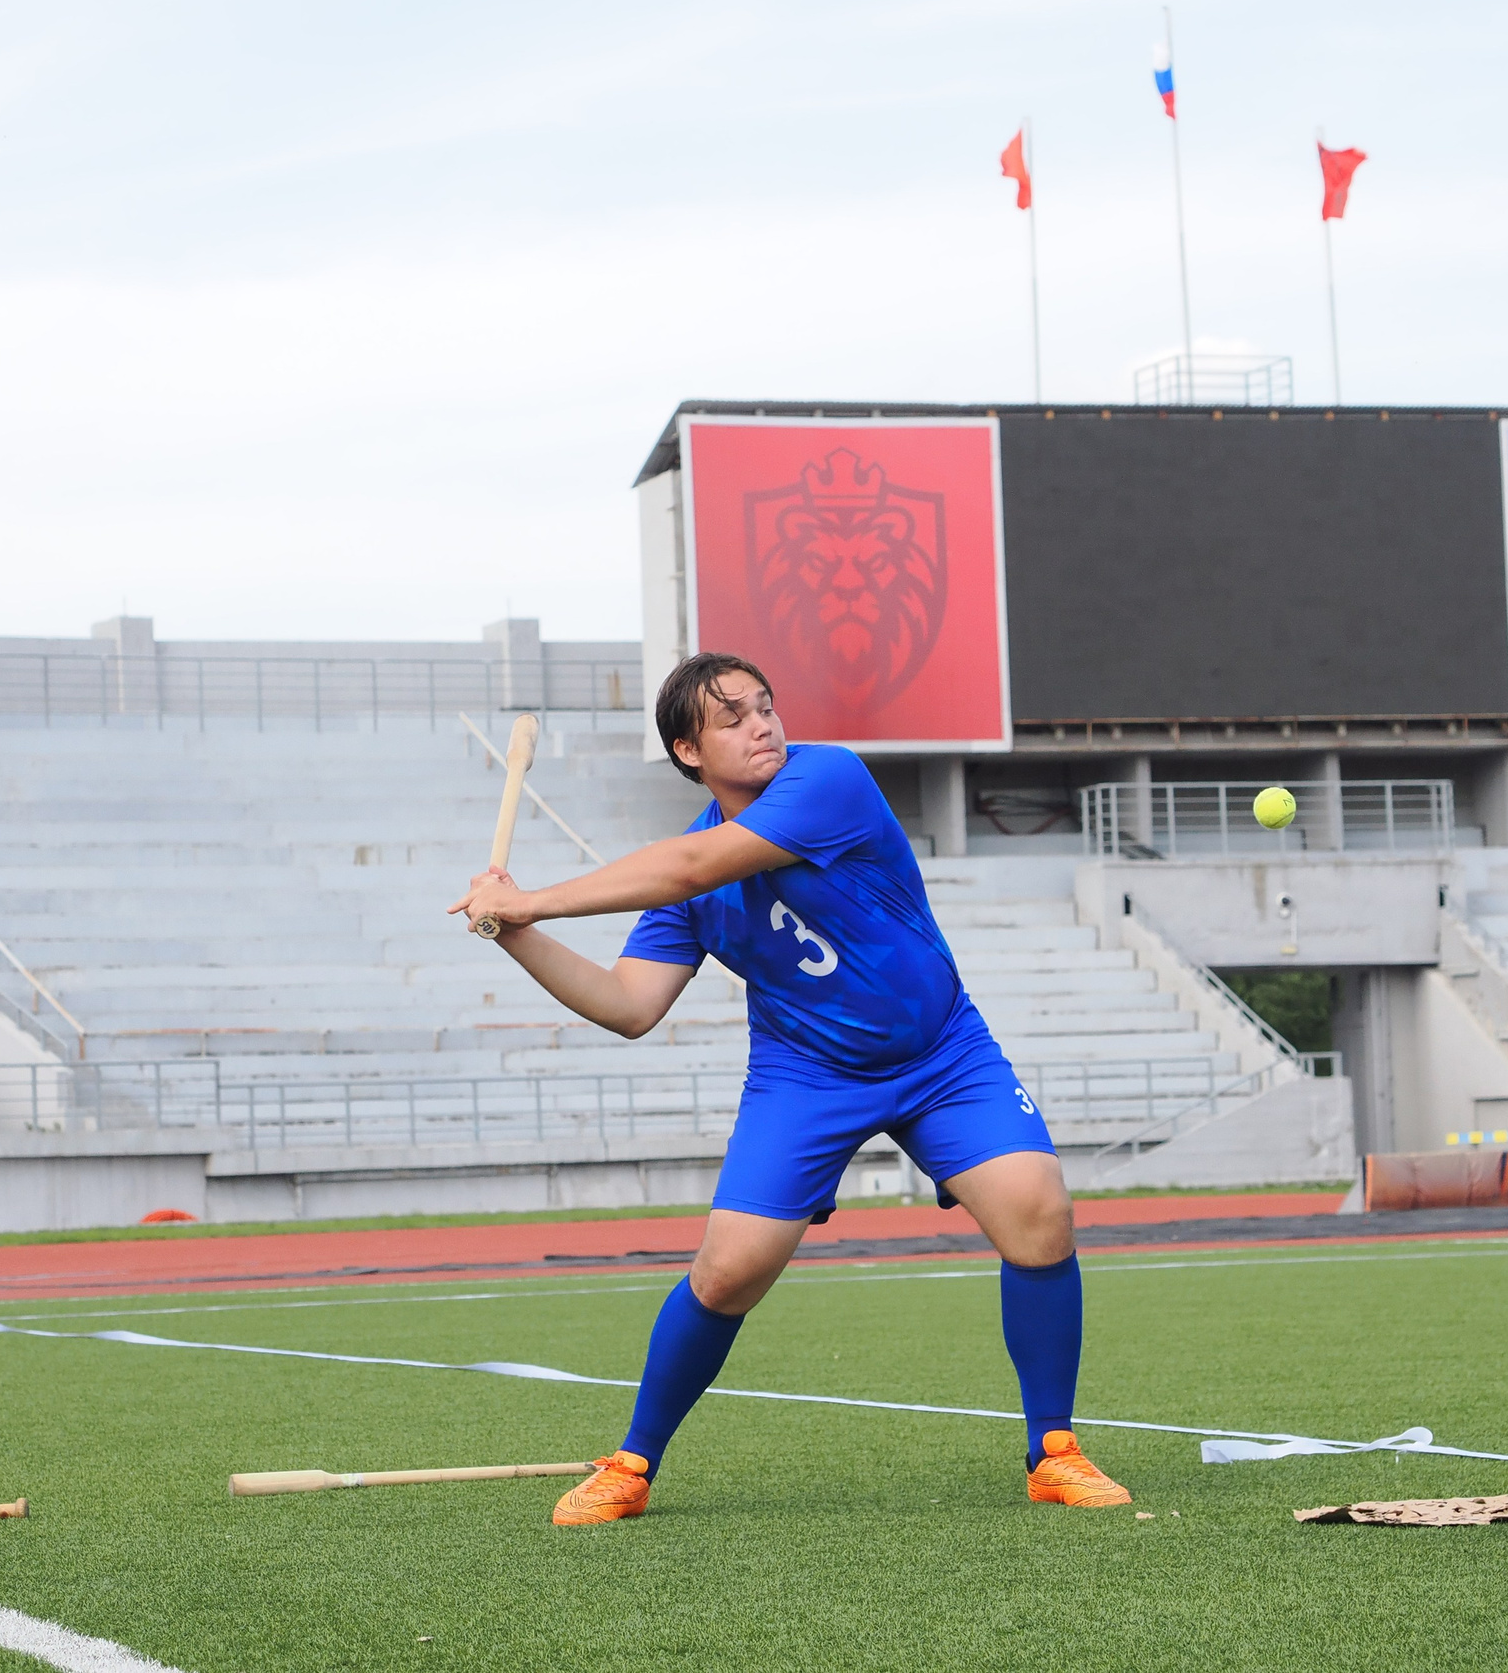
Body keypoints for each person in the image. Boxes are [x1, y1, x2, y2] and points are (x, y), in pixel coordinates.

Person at [448, 652, 1130, 1525]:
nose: (762, 724)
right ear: (688, 750)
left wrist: (534, 899)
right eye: (732, 717)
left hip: (940, 1052)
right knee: (726, 1272)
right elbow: (627, 1004)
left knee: (1039, 1210)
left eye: (765, 705)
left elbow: (694, 865)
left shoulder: (827, 778)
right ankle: (631, 1463)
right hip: (804, 1075)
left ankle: (1054, 1452)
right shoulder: (687, 877)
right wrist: (512, 931)